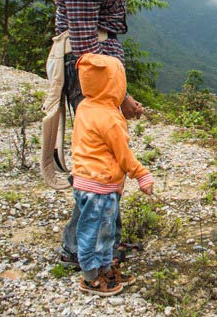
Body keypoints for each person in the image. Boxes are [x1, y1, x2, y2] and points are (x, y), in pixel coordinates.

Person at [52, 0, 217, 267]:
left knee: (110, 159)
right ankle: (78, 249)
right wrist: (120, 97)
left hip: (105, 66)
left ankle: (104, 241)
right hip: (90, 73)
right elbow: (84, 50)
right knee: (99, 161)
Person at [71, 53, 152, 296]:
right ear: (113, 84)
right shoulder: (110, 119)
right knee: (97, 233)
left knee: (97, 230)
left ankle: (105, 268)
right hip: (100, 185)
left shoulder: (85, 106)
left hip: (84, 180)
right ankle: (91, 277)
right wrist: (142, 175)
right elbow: (123, 154)